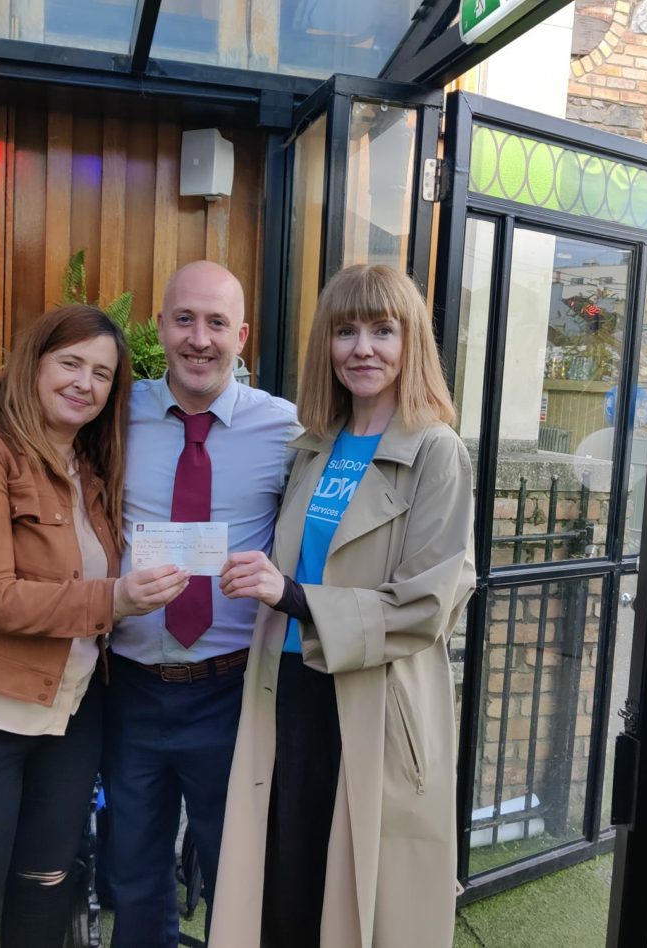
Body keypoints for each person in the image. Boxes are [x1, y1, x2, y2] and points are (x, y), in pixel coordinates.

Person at [0, 305, 188, 947]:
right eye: (71, 363)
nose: (85, 383)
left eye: (102, 374)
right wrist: (115, 599)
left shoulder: (89, 467)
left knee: (47, 885)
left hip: (68, 712)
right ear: (34, 363)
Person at [211, 264, 477, 947]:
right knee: (286, 887)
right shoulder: (314, 446)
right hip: (288, 690)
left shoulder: (437, 452)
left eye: (383, 330)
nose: (363, 348)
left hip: (374, 705)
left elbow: (427, 604)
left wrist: (290, 594)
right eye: (346, 330)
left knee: (365, 903)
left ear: (410, 341)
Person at [103, 260, 300, 947]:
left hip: (230, 693)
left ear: (241, 335)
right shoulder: (112, 415)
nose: (199, 338)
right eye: (184, 319)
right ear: (160, 328)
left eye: (217, 322)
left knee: (238, 874)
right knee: (131, 872)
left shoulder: (286, 430)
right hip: (128, 690)